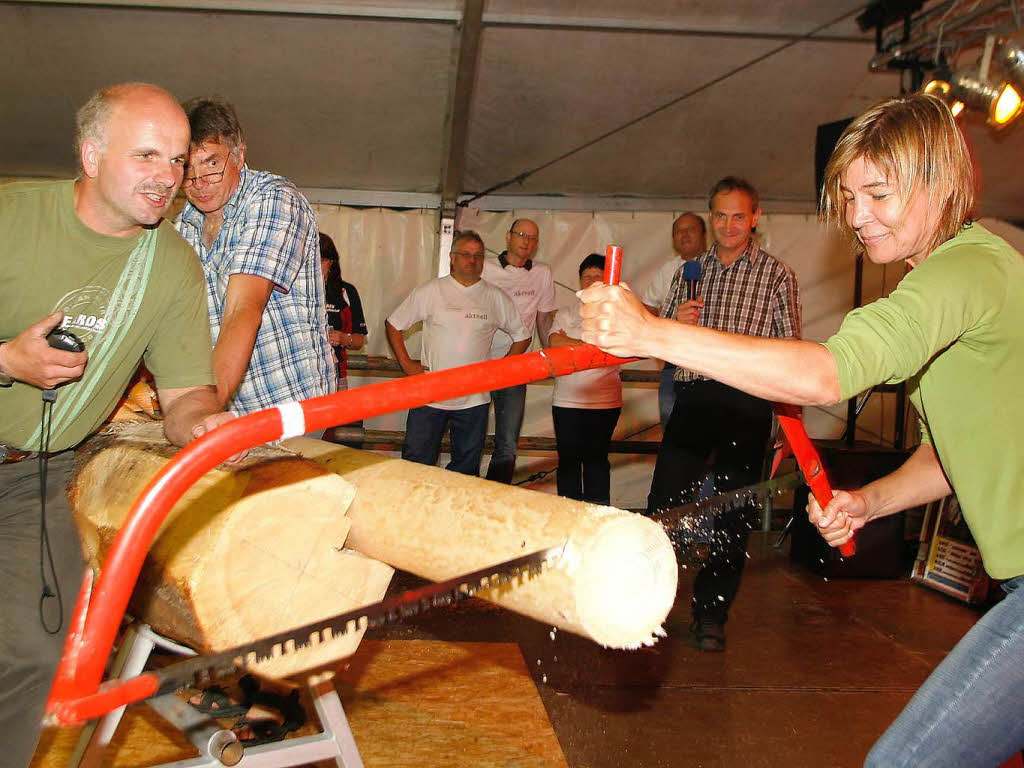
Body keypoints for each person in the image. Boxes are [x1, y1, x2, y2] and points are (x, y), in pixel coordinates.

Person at [579, 93, 1023, 766]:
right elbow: (954, 452)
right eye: (848, 197)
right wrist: (869, 502)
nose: (857, 218)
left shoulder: (961, 271)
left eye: (878, 194)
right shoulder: (968, 272)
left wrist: (650, 333)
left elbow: (824, 374)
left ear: (940, 184)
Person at [0, 82, 231, 768]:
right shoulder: (11, 216)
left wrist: (209, 427)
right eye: (148, 156)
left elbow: (187, 393)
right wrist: (8, 358)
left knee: (40, 654)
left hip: (33, 482)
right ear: (91, 154)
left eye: (178, 159)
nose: (168, 177)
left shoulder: (172, 266)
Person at [646, 177, 801, 652]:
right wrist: (675, 326)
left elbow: (791, 351)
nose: (729, 225)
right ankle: (646, 609)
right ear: (710, 218)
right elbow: (662, 349)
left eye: (739, 216)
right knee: (664, 511)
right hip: (693, 401)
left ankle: (711, 616)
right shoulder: (690, 272)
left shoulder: (778, 276)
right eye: (720, 216)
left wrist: (786, 421)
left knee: (733, 516)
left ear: (755, 218)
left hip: (745, 404)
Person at [175, 96, 335, 418]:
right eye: (188, 168)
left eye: (211, 164)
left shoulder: (273, 199)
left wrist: (200, 411)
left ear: (239, 155)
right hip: (228, 409)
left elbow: (242, 309)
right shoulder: (183, 225)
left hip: (287, 405)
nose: (200, 182)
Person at [386, 231, 530, 475]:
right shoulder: (431, 291)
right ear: (452, 258)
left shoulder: (495, 297)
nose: (472, 260)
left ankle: (455, 513)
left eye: (478, 256)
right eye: (465, 254)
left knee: (465, 472)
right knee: (415, 467)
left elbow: (522, 336)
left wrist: (501, 370)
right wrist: (407, 364)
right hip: (430, 396)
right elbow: (394, 324)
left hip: (474, 400)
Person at [481, 218, 558, 483]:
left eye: (533, 238)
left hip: (516, 365)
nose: (527, 241)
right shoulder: (484, 267)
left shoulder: (542, 273)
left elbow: (545, 319)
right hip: (479, 361)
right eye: (522, 234)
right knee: (469, 434)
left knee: (507, 441)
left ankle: (495, 495)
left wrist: (552, 357)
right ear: (508, 236)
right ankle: (464, 495)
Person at [548, 254, 622, 505]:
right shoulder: (568, 312)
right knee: (568, 461)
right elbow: (554, 342)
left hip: (605, 401)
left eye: (597, 277)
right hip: (566, 400)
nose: (591, 281)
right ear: (579, 280)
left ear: (608, 281)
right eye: (586, 276)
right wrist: (589, 346)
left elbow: (615, 347)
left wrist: (573, 345)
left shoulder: (618, 314)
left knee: (596, 461)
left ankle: (598, 519)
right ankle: (567, 521)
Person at [640, 212, 708, 429]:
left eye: (691, 229)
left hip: (712, 361)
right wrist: (660, 338)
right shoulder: (666, 271)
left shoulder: (718, 266)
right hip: (673, 362)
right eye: (679, 231)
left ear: (705, 235)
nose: (685, 235)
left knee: (710, 429)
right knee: (671, 424)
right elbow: (647, 308)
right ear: (673, 239)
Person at [319, 232, 367, 391]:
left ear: (331, 262)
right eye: (312, 260)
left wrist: (342, 338)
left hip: (336, 373)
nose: (317, 266)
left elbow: (359, 340)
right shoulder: (291, 290)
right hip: (299, 373)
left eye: (323, 260)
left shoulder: (346, 291)